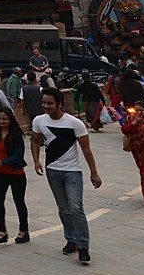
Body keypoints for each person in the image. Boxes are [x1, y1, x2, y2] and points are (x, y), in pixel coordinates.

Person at [31, 87, 102, 265]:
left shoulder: (74, 123)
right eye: (44, 102)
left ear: (60, 104)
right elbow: (35, 140)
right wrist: (36, 160)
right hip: (52, 170)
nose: (46, 106)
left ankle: (83, 246)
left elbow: (86, 149)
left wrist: (94, 172)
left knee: (76, 207)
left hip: (72, 171)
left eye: (50, 103)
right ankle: (71, 239)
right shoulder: (39, 120)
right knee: (63, 208)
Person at [0, 108, 29, 244]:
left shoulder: (15, 134)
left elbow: (19, 155)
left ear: (10, 119)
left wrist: (3, 162)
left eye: (5, 119)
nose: (1, 121)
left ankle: (24, 230)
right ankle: (2, 231)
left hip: (16, 173)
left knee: (19, 201)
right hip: (0, 173)